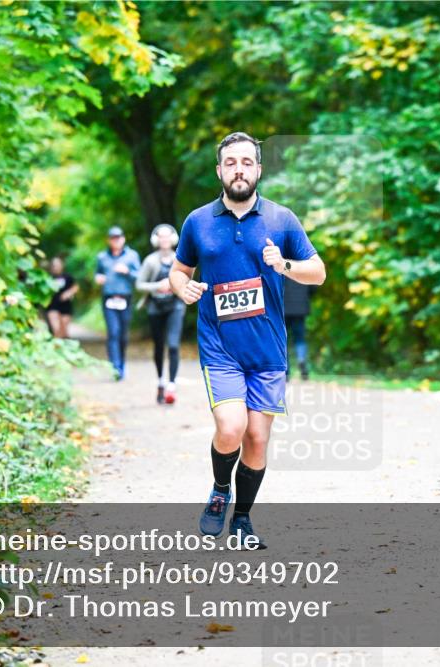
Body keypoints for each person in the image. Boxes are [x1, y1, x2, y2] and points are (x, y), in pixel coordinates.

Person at [169, 131, 326, 547]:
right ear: (220, 170)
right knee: (231, 427)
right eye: (231, 162)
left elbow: (318, 271)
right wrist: (179, 287)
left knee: (257, 438)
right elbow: (179, 270)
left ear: (258, 169)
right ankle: (221, 490)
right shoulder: (198, 221)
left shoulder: (282, 219)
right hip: (220, 346)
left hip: (268, 351)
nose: (239, 169)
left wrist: (285, 263)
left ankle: (241, 519)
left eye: (246, 162)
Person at [137, 223, 186, 404]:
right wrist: (158, 286)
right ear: (156, 240)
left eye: (167, 236)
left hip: (175, 306)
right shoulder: (150, 261)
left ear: (173, 239)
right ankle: (160, 382)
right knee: (159, 346)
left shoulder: (180, 259)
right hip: (155, 307)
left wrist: (176, 286)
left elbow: (187, 280)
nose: (164, 240)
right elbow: (139, 284)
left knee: (173, 345)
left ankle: (171, 386)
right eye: (161, 237)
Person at [95, 226, 141, 380]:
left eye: (118, 238)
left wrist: (127, 271)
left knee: (123, 334)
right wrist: (98, 278)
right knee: (113, 332)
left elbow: (140, 277)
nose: (116, 241)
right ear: (109, 240)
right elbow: (98, 273)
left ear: (123, 239)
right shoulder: (102, 257)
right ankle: (115, 367)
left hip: (125, 298)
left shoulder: (132, 256)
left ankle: (121, 363)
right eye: (113, 238)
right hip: (108, 299)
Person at [283, 277, 316, 380]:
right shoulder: (304, 262)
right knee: (300, 338)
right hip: (300, 307)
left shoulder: (278, 263)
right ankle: (301, 359)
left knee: (283, 340)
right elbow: (313, 285)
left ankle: (286, 371)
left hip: (283, 307)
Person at [45, 257, 78, 339]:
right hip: (52, 305)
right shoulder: (47, 278)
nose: (56, 267)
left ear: (62, 266)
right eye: (54, 265)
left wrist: (68, 293)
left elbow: (76, 287)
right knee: (56, 329)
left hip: (65, 306)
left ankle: (65, 348)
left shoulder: (68, 277)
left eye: (58, 265)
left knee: (64, 331)